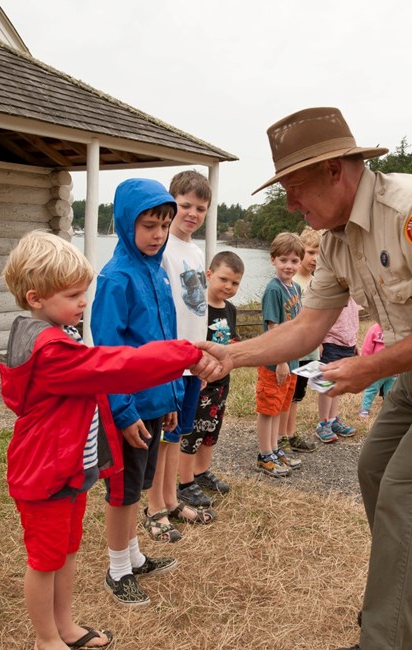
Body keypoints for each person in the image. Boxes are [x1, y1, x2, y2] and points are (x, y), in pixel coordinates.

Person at [199, 107, 412, 650]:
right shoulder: (336, 239)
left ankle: (388, 641)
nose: (290, 204)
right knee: (376, 468)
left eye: (294, 188)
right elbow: (309, 325)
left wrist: (370, 367)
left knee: (407, 494)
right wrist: (231, 354)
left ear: (336, 170)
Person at [0, 231, 221, 649]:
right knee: (44, 561)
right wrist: (185, 352)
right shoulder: (50, 351)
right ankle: (45, 640)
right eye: (73, 294)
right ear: (35, 298)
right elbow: (116, 366)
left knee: (65, 553)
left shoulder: (58, 335)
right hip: (45, 475)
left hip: (68, 469)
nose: (84, 302)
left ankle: (65, 627)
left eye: (83, 292)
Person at [90, 178, 191, 605]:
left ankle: (132, 555)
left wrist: (170, 400)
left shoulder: (158, 271)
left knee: (141, 483)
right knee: (124, 490)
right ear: (127, 224)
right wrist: (124, 411)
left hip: (156, 402)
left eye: (164, 226)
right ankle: (117, 570)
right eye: (149, 225)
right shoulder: (116, 278)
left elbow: (165, 343)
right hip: (127, 408)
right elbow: (106, 351)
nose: (158, 235)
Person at [157, 170, 215, 525]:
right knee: (163, 437)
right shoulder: (163, 249)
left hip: (192, 358)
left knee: (179, 434)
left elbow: (199, 307)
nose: (192, 214)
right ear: (172, 204)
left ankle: (171, 496)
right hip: (169, 361)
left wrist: (204, 357)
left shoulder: (195, 252)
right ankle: (157, 503)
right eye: (185, 205)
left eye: (201, 208)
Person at [181, 250, 245, 495]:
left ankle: (202, 471)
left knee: (211, 430)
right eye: (223, 279)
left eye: (235, 283)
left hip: (221, 382)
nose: (229, 286)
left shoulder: (231, 309)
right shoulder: (198, 309)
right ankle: (185, 482)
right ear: (209, 275)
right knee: (192, 431)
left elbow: (230, 339)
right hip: (200, 382)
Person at [255, 232, 304, 478]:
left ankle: (274, 448)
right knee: (268, 409)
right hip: (275, 362)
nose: (289, 266)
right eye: (284, 260)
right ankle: (264, 454)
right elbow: (274, 329)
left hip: (292, 361)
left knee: (280, 407)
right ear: (273, 259)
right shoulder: (273, 290)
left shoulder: (295, 287)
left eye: (294, 261)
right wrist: (282, 360)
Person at [278, 227, 319, 454]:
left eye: (318, 254)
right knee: (286, 394)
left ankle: (290, 433)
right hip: (293, 349)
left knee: (297, 394)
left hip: (309, 349)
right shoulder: (292, 283)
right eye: (310, 252)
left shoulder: (317, 281)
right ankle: (282, 435)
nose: (314, 259)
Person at [315, 298, 360, 442]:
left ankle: (333, 420)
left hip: (348, 343)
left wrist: (355, 342)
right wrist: (319, 340)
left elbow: (353, 318)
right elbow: (320, 317)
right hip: (331, 341)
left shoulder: (352, 293)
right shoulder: (331, 292)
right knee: (327, 385)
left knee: (337, 385)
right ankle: (323, 423)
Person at [358, 322, 396, 418]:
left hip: (393, 370)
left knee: (390, 392)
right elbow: (367, 347)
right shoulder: (375, 328)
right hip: (377, 370)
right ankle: (365, 409)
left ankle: (388, 409)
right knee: (371, 389)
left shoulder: (398, 329)